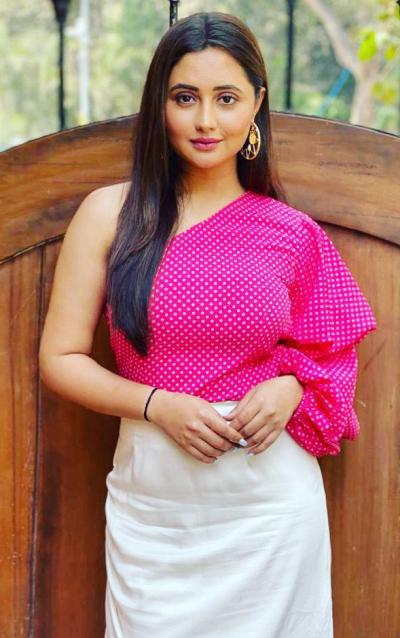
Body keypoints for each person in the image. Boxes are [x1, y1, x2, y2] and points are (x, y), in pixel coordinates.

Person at [38, 11, 377, 638]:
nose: (205, 121)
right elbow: (60, 359)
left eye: (226, 98)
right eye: (185, 97)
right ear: (159, 103)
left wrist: (291, 387)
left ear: (256, 105)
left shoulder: (291, 231)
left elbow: (334, 352)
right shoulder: (111, 214)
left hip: (270, 508)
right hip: (154, 509)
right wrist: (157, 404)